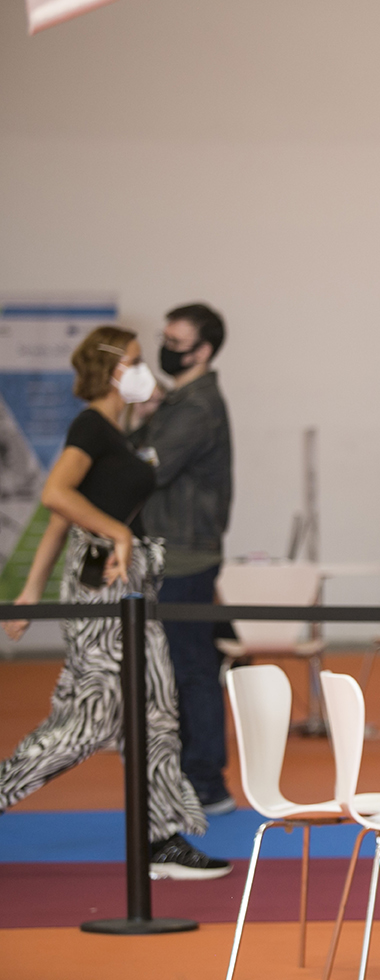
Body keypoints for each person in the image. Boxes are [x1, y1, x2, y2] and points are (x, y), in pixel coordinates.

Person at [0, 326, 229, 880]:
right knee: (87, 720)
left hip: (129, 587)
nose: (142, 369)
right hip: (104, 586)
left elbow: (64, 514)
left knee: (153, 713)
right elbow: (57, 494)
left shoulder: (116, 431)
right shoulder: (91, 426)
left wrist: (31, 588)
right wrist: (120, 537)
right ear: (109, 370)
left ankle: (161, 840)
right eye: (133, 361)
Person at [130, 302, 235, 814]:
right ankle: (195, 776)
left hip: (185, 556)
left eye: (176, 343)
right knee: (182, 666)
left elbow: (147, 469)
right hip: (174, 551)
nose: (166, 350)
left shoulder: (195, 408)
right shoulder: (179, 403)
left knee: (191, 668)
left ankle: (206, 782)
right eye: (165, 339)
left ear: (204, 350)